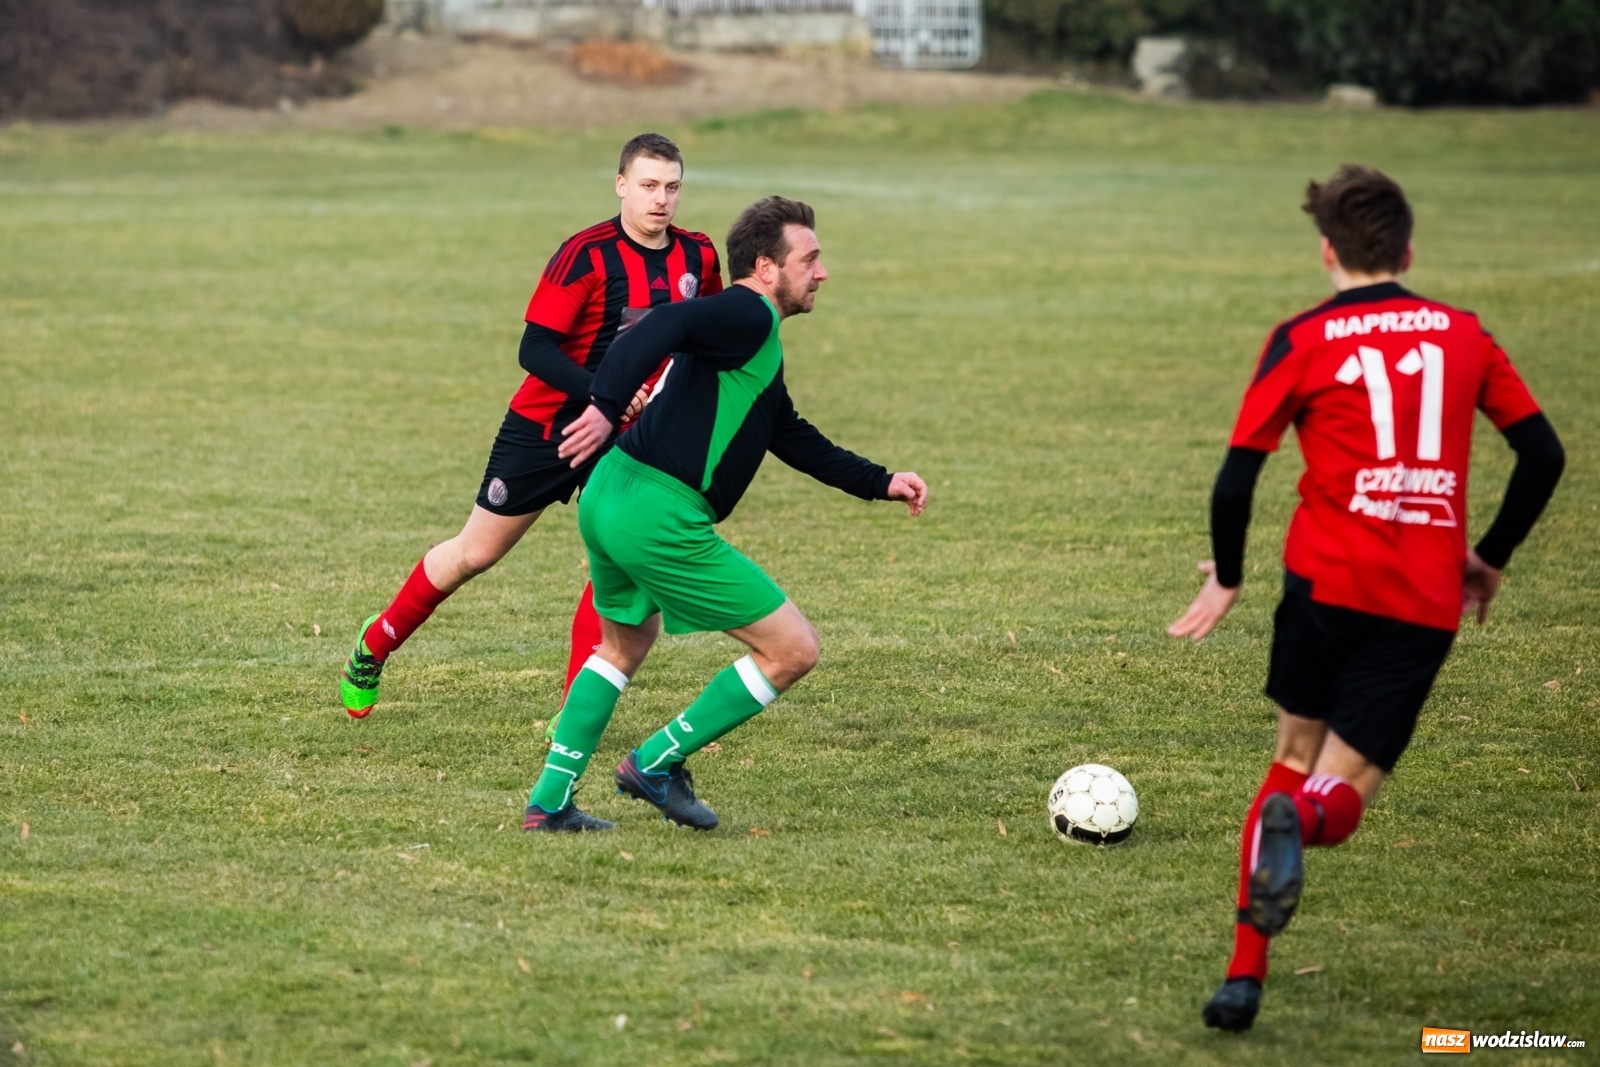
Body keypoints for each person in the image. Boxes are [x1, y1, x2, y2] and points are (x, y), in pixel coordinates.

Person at [1167, 165, 1565, 1032]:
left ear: (1327, 250)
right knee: (1337, 800)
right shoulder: (1463, 333)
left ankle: (1243, 977)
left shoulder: (1303, 336)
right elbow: (1543, 456)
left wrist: (1230, 576)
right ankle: (1300, 821)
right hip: (1421, 595)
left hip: (1321, 582)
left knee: (1292, 754)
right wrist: (1488, 557)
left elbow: (1239, 477)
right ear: (1409, 247)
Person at [519, 195, 928, 833]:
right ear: (767, 268)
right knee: (792, 649)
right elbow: (660, 327)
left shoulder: (750, 338)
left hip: (611, 495)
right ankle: (654, 763)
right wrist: (603, 402)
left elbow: (786, 432)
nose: (822, 272)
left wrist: (880, 481)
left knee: (621, 645)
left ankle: (549, 802)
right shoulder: (746, 312)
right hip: (656, 511)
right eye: (810, 258)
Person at [340, 133, 722, 720]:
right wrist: (606, 395)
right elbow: (535, 348)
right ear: (621, 184)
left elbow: (703, 338)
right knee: (474, 553)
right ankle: (377, 642)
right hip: (546, 425)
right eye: (647, 186)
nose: (660, 199)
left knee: (617, 559)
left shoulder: (697, 257)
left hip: (625, 441)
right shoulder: (585, 254)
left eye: (671, 187)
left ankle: (575, 713)